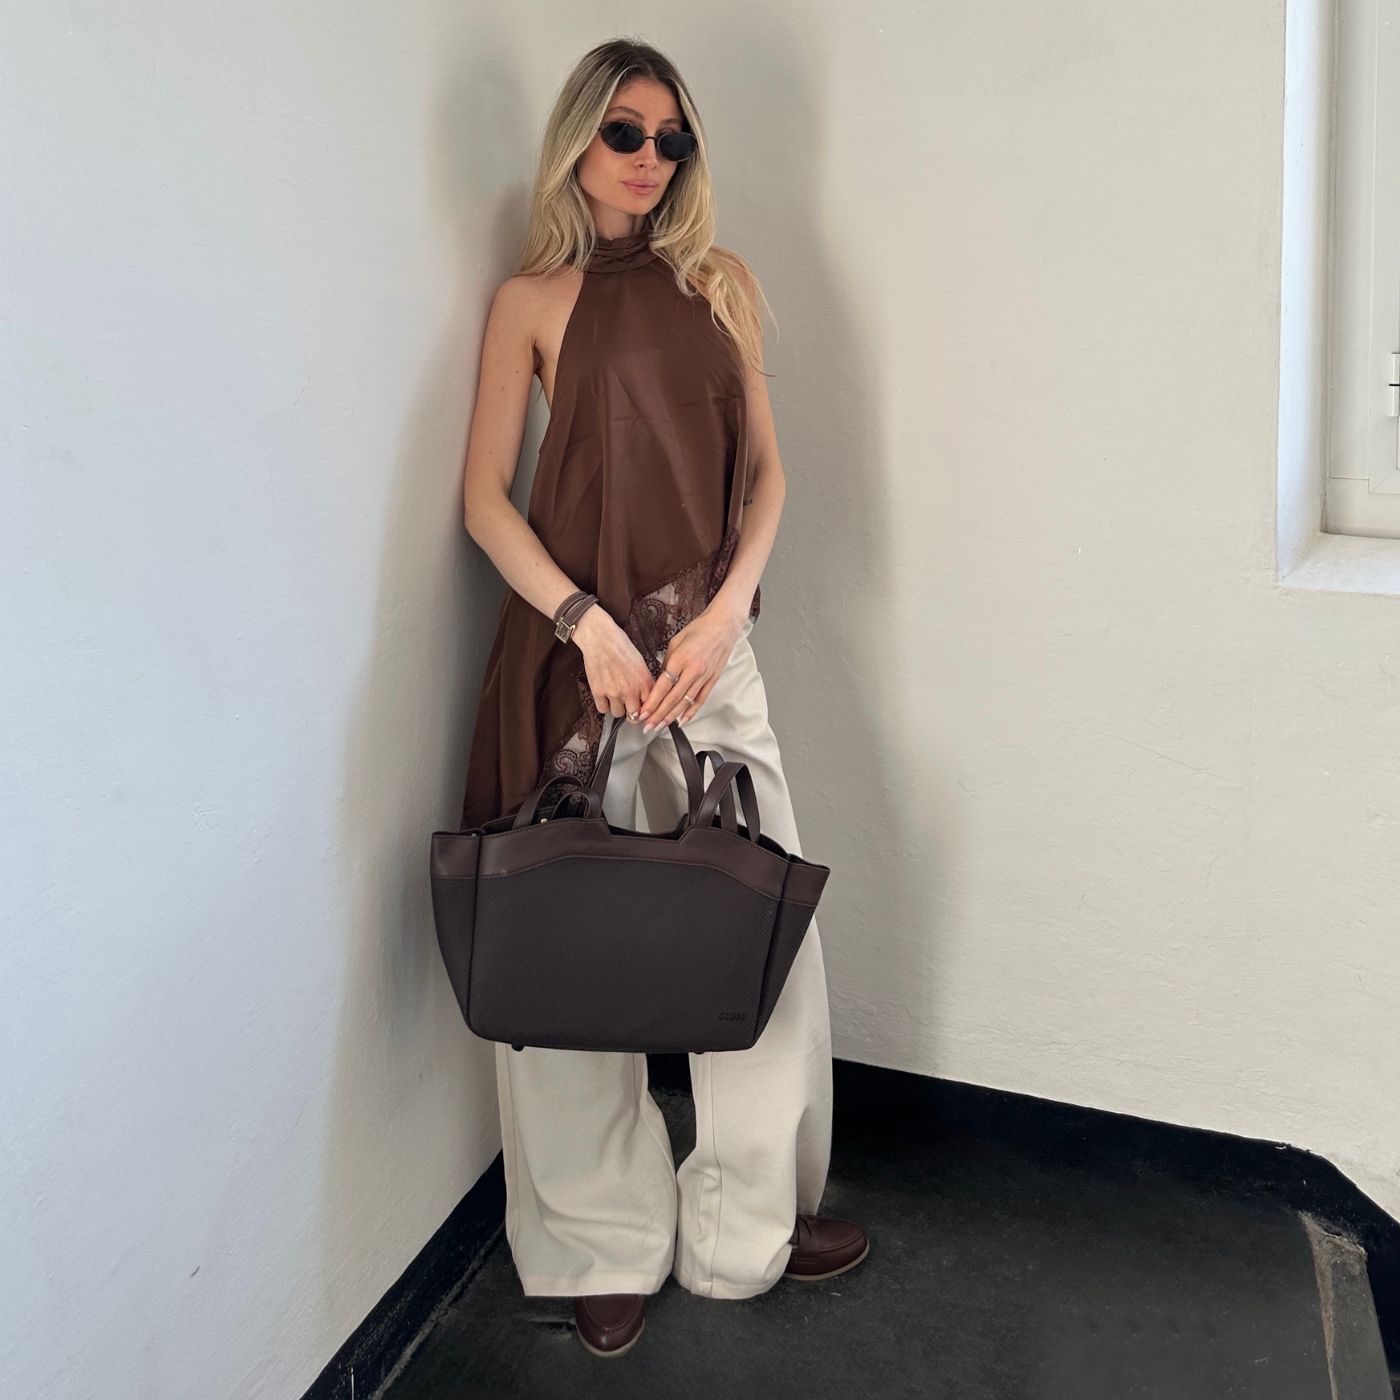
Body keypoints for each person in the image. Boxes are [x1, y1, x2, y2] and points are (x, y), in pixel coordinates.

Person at [457, 38, 868, 1359]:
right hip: (582, 668)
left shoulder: (720, 281)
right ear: (578, 138)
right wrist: (582, 624)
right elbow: (484, 502)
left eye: (671, 138)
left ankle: (752, 1221)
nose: (650, 158)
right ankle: (600, 1240)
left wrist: (731, 608)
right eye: (625, 132)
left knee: (761, 934)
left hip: (709, 653)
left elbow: (771, 475)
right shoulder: (530, 299)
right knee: (577, 941)